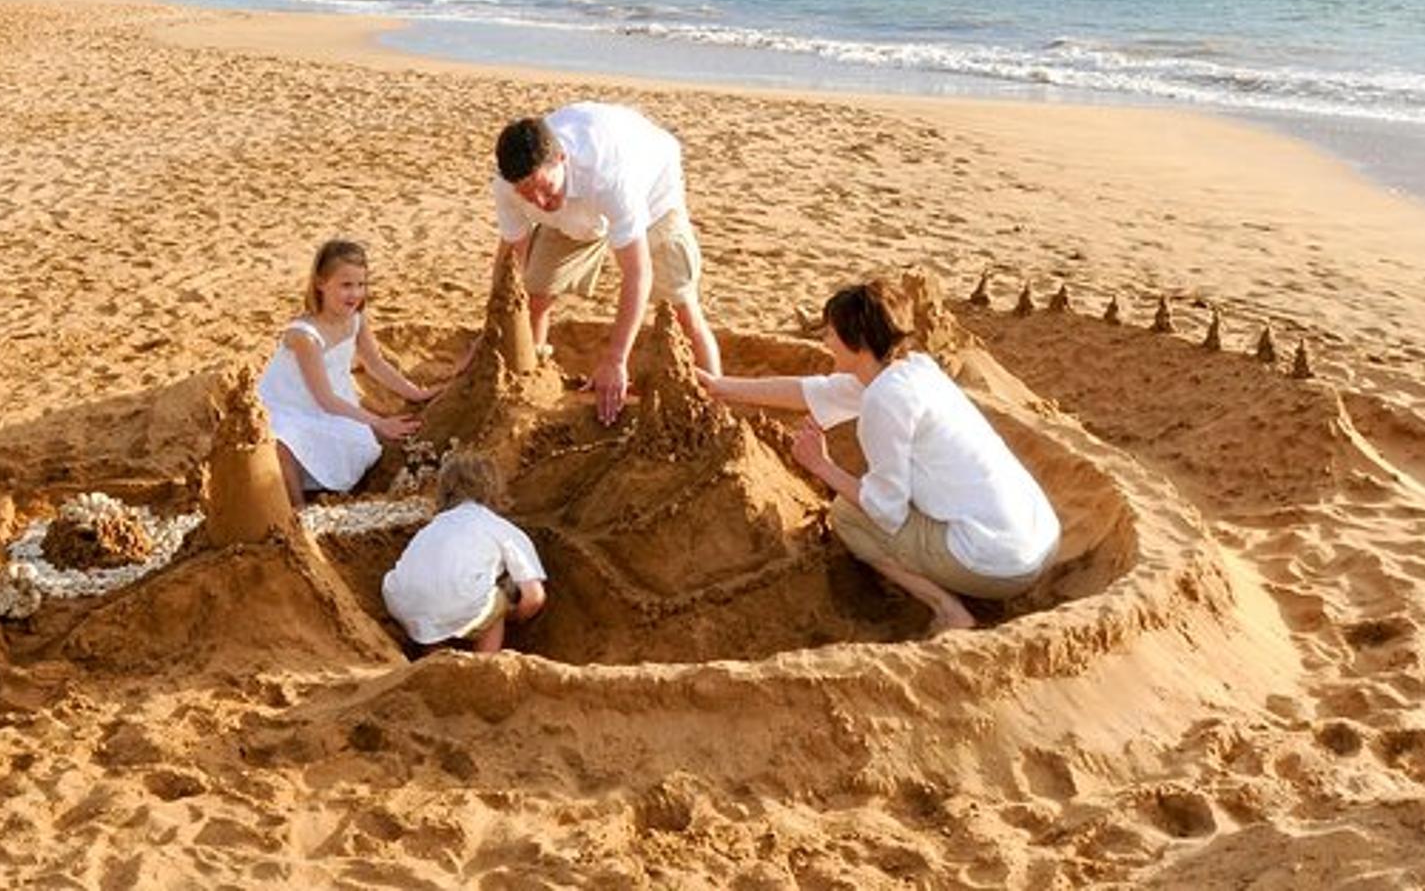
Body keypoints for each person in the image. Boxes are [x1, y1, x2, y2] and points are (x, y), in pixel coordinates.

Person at [701, 280, 1060, 633]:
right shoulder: (913, 370)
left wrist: (820, 465)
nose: (825, 342)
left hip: (999, 565)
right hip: (1039, 542)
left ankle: (949, 610)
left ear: (857, 340)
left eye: (831, 333)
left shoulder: (883, 401)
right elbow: (812, 392)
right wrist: (721, 388)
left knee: (847, 517)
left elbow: (886, 509)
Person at [491, 102, 720, 424]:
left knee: (682, 308)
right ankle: (527, 379)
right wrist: (493, 328)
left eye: (544, 188)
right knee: (535, 295)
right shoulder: (508, 186)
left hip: (652, 196)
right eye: (528, 196)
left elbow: (637, 273)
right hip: (574, 213)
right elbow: (512, 264)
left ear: (561, 159)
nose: (540, 202)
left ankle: (715, 405)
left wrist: (615, 359)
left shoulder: (609, 176)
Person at [256, 239, 433, 506]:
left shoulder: (356, 319)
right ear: (320, 283)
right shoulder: (304, 335)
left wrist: (416, 393)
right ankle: (297, 509)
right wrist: (379, 422)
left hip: (334, 402)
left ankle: (331, 490)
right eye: (346, 285)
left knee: (359, 449)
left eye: (361, 284)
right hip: (291, 406)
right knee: (283, 442)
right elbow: (324, 399)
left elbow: (375, 363)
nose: (355, 294)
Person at [382, 452, 548, 654]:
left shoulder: (432, 527)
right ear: (494, 489)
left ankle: (433, 656)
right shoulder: (502, 529)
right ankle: (484, 662)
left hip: (401, 604)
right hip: (454, 606)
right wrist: (512, 616)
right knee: (497, 600)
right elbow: (534, 597)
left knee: (433, 601)